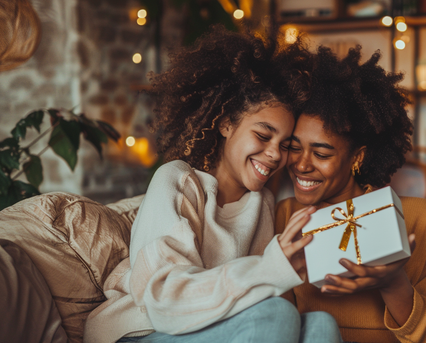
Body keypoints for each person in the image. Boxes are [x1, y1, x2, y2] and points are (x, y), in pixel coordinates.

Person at [83, 27, 342, 343]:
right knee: (277, 314)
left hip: (212, 329)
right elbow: (165, 301)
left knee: (321, 326)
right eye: (262, 136)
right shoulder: (177, 181)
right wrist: (269, 269)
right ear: (226, 123)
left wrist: (299, 268)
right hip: (142, 328)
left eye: (285, 144)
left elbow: (264, 296)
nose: (275, 155)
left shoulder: (261, 205)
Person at [275, 46, 426, 343]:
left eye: (321, 153)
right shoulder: (284, 217)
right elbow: (278, 326)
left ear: (358, 157)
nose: (301, 164)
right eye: (295, 147)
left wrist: (393, 284)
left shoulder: (417, 218)